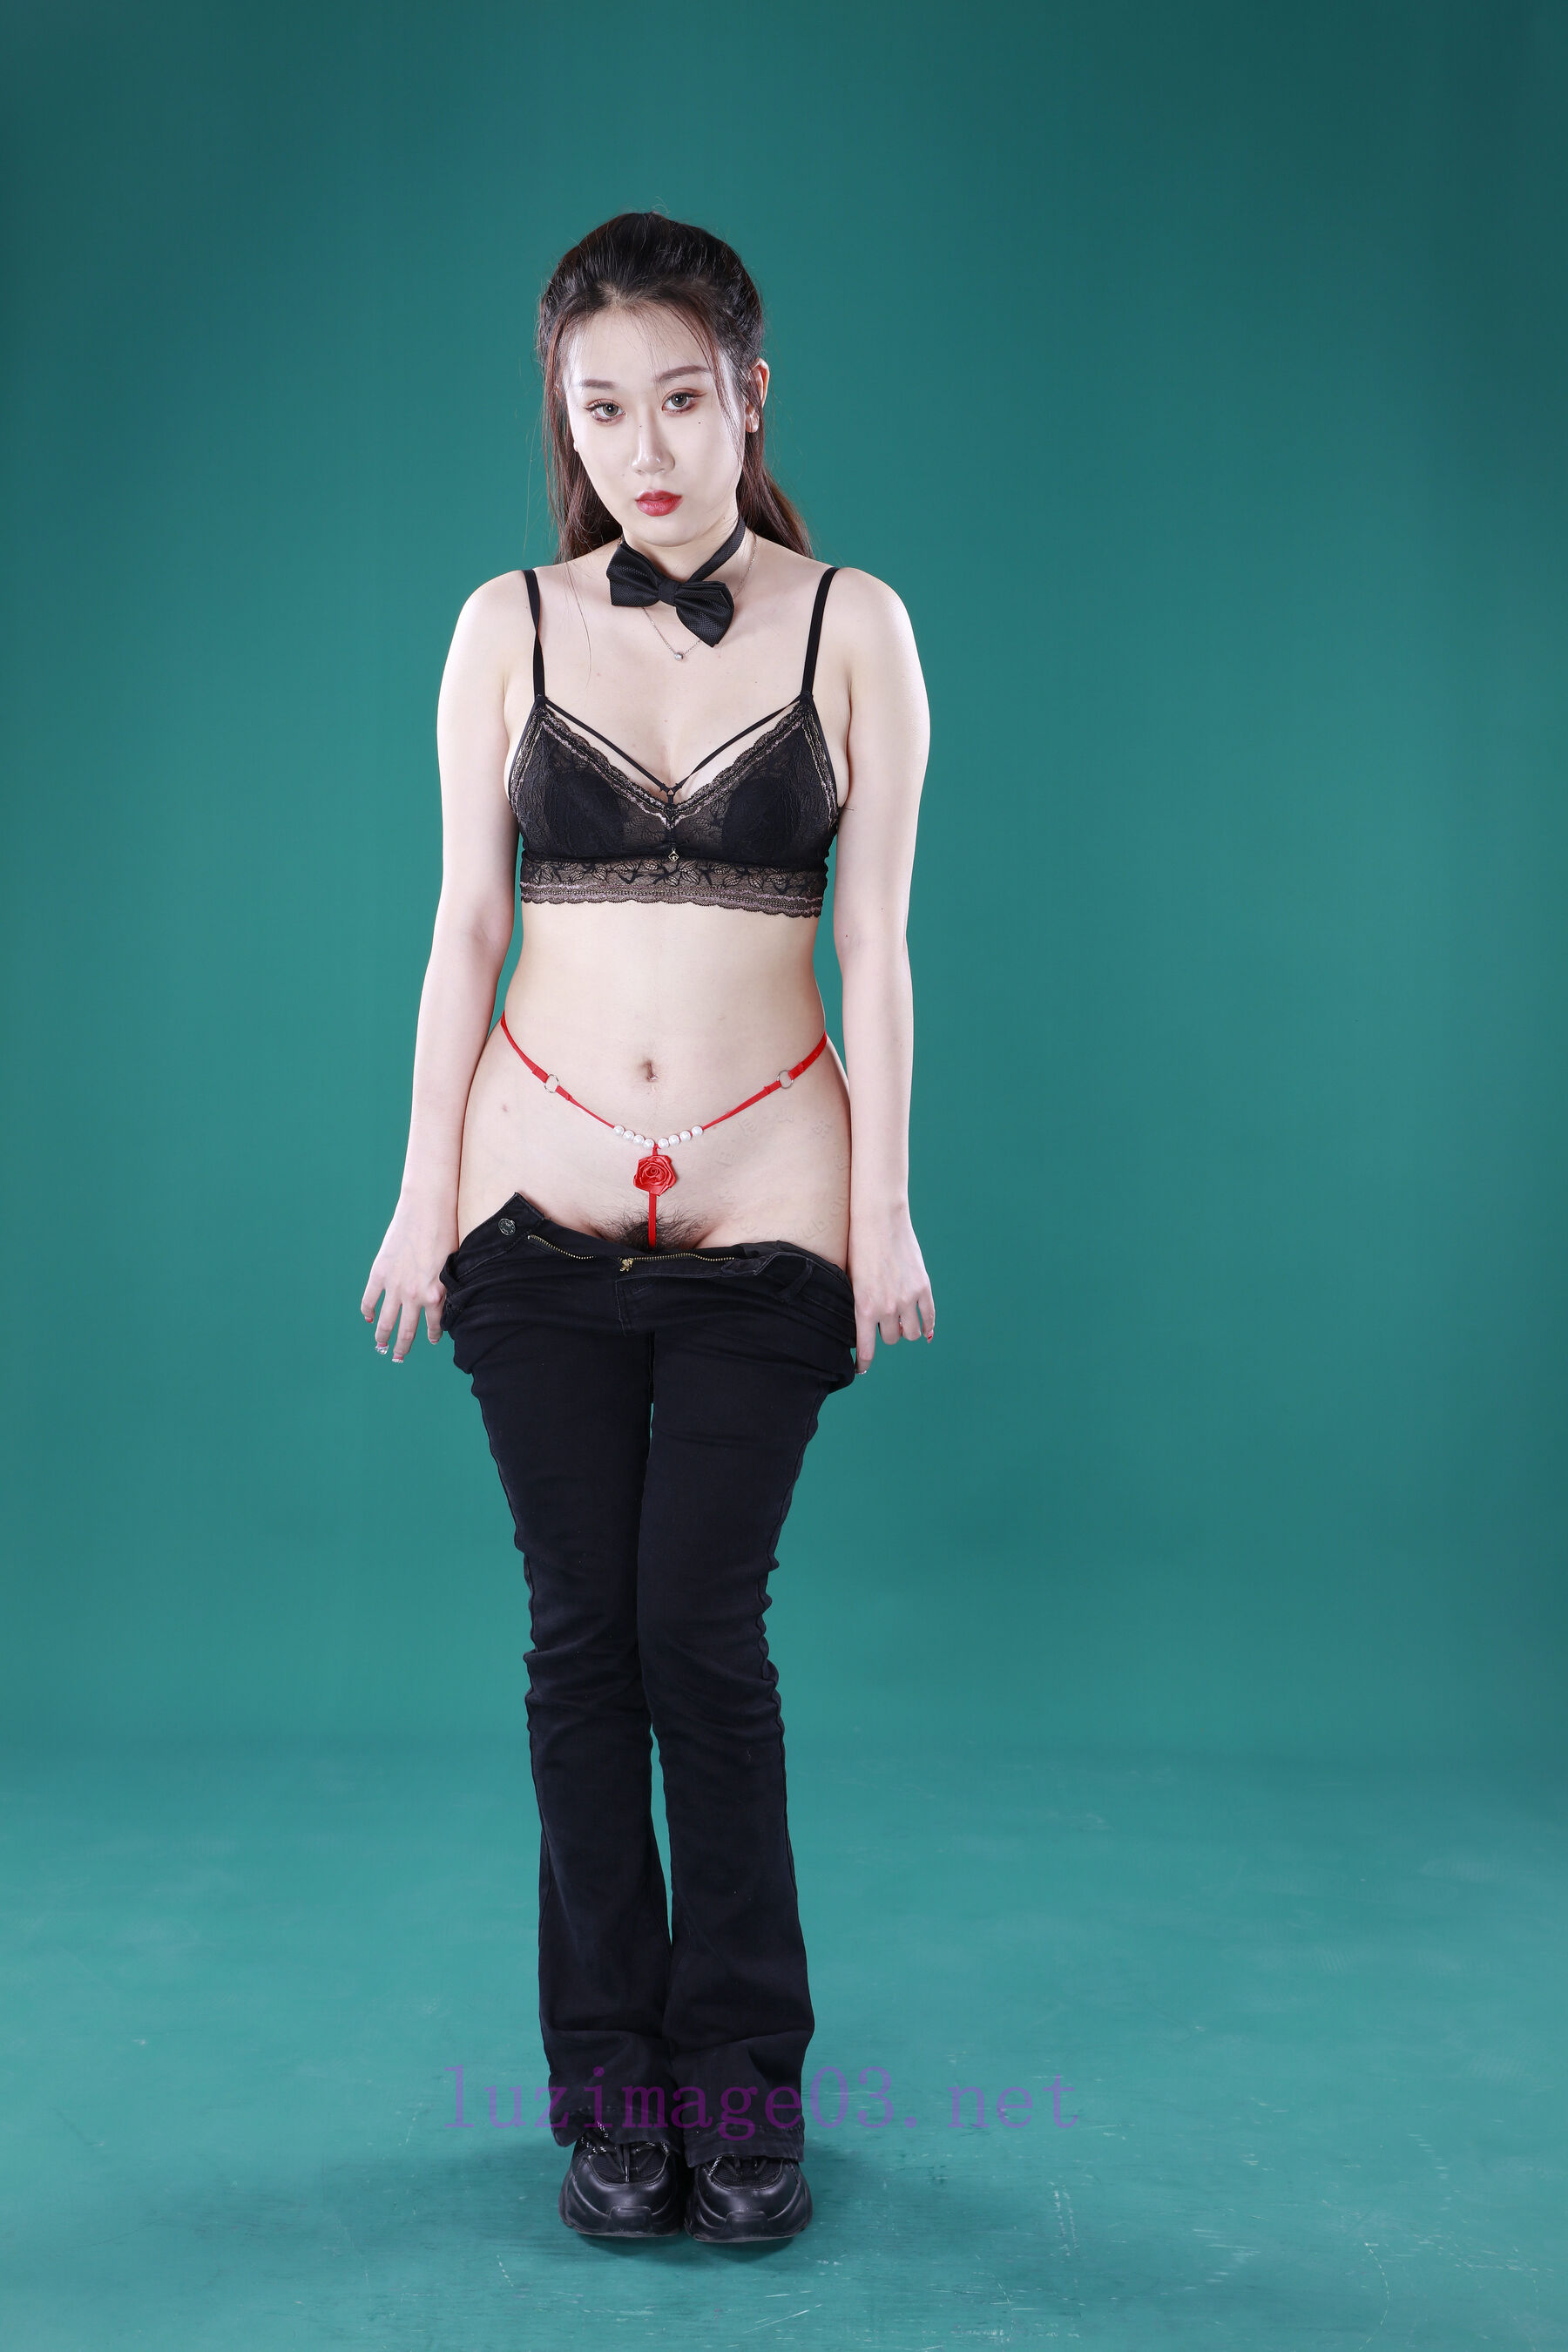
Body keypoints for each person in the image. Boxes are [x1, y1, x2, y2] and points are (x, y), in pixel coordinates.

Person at [361, 212, 933, 2245]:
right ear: (566, 418)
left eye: (683, 400)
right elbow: (464, 930)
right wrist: (418, 1197)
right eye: (602, 411)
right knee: (581, 1647)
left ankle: (746, 2088)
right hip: (532, 1204)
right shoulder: (501, 627)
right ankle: (611, 2091)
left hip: (774, 1209)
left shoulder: (852, 622)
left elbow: (876, 945)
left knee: (702, 1635)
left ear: (750, 395)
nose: (646, 450)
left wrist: (886, 1214)